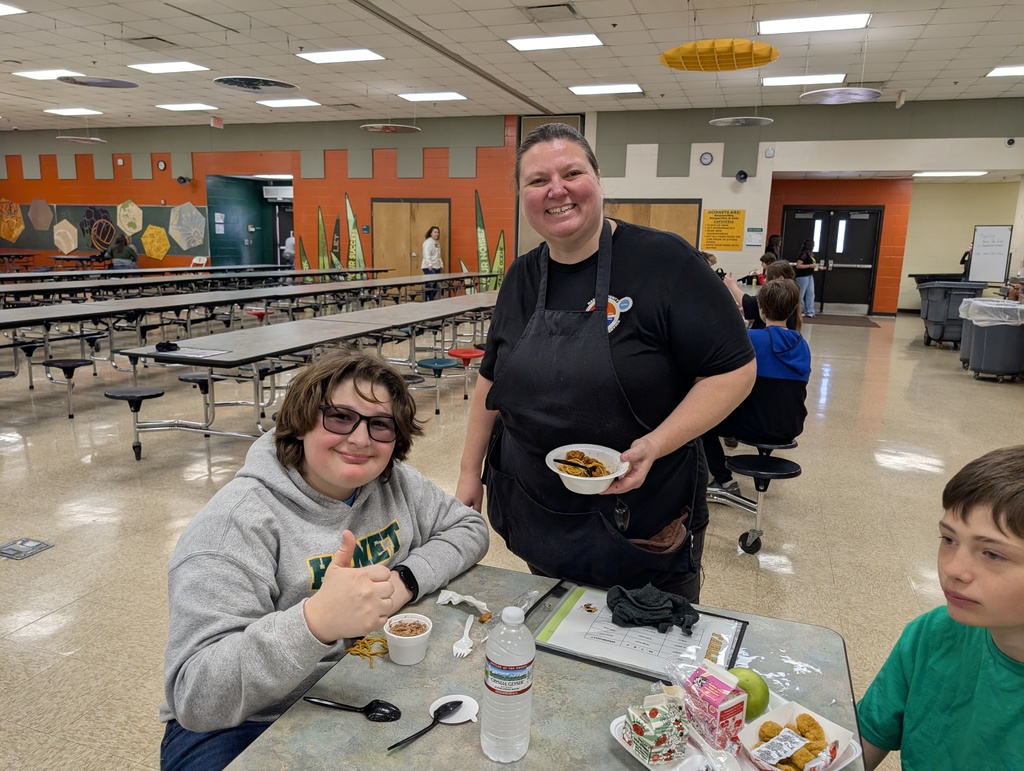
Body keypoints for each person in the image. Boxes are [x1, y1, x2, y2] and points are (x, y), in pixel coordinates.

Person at [456, 122, 756, 602]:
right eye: (537, 180)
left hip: (641, 520)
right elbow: (492, 381)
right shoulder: (522, 276)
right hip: (540, 512)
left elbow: (735, 371)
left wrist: (655, 444)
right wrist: (470, 474)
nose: (557, 190)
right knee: (554, 637)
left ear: (598, 180)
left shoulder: (666, 263)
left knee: (648, 651)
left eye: (571, 172)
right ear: (522, 195)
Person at [160, 348, 489, 770]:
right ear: (300, 424)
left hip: (352, 685)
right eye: (339, 417)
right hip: (241, 720)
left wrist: (404, 580)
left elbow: (469, 529)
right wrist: (314, 623)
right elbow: (196, 696)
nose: (360, 439)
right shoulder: (233, 526)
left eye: (380, 425)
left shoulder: (395, 483)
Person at [856, 445, 1024, 771]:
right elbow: (858, 747)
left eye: (992, 554)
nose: (953, 570)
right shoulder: (933, 633)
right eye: (949, 539)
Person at [702, 279, 810, 494]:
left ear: (760, 309)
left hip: (752, 424)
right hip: (789, 426)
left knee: (702, 425)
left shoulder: (749, 339)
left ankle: (724, 481)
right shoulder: (802, 344)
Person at [725, 259, 800, 331]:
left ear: (780, 279)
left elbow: (747, 302)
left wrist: (731, 285)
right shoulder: (791, 297)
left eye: (767, 277)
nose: (764, 280)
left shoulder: (776, 298)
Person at [794, 238, 817, 317]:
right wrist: (810, 266)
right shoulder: (803, 255)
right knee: (801, 294)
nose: (814, 246)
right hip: (802, 276)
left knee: (810, 293)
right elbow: (798, 265)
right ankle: (799, 311)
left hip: (810, 275)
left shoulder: (810, 254)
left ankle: (810, 311)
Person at [420, 225, 443, 301]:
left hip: (436, 266)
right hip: (428, 267)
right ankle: (426, 299)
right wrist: (429, 264)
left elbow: (438, 255)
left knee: (436, 284)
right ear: (431, 233)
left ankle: (431, 298)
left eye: (438, 232)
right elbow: (426, 254)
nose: (437, 234)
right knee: (430, 284)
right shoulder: (428, 242)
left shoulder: (437, 243)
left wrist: (441, 264)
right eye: (435, 232)